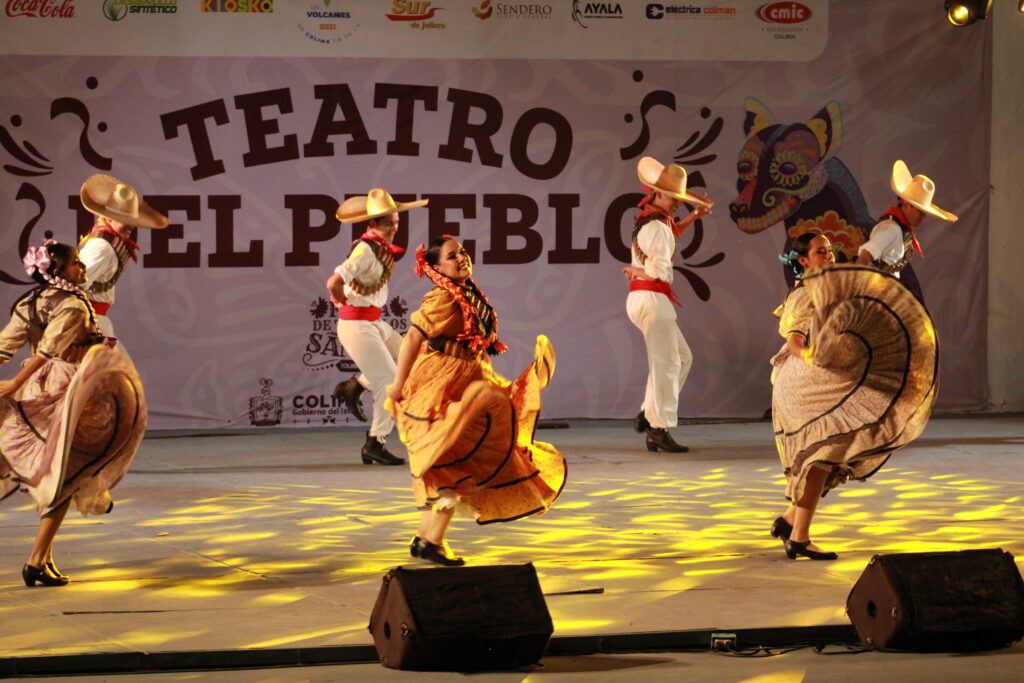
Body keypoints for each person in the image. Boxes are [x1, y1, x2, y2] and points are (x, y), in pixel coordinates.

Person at [386, 237, 566, 566]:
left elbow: (478, 344)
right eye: (453, 256)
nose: (462, 259)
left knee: (461, 465)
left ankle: (427, 539)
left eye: (464, 253)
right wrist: (398, 385)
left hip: (472, 378)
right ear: (436, 267)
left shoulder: (469, 293)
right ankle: (430, 542)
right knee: (451, 465)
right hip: (442, 384)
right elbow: (414, 336)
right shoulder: (442, 297)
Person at [770, 232, 938, 560]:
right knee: (820, 458)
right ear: (804, 261)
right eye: (821, 252)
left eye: (830, 251)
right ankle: (800, 539)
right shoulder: (805, 293)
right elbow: (794, 341)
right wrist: (812, 356)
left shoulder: (833, 288)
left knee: (830, 458)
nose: (830, 257)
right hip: (806, 388)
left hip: (826, 384)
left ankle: (791, 522)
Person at [0, 240, 147, 586]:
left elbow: (5, 346)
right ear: (58, 271)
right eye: (75, 264)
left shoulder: (31, 301)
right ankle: (36, 560)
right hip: (70, 390)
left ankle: (44, 558)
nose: (81, 269)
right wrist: (13, 384)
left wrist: (16, 381)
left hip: (44, 387)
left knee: (61, 473)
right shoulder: (71, 306)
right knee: (65, 475)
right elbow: (46, 353)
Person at [327, 188, 427, 466]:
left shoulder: (379, 248)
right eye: (387, 223)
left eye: (396, 222)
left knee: (412, 361)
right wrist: (340, 298)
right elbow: (333, 281)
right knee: (390, 383)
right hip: (357, 324)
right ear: (372, 224)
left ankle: (355, 385)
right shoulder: (364, 249)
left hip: (373, 322)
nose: (394, 228)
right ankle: (375, 442)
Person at [622, 157, 713, 453]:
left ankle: (650, 412)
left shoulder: (650, 220)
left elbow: (668, 235)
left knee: (680, 358)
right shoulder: (657, 227)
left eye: (679, 199)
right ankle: (658, 427)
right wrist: (642, 270)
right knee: (668, 362)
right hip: (651, 297)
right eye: (672, 198)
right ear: (657, 194)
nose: (676, 204)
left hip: (644, 298)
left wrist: (693, 217)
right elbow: (661, 270)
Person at [78, 174, 169, 359]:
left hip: (96, 322)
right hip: (89, 325)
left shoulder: (108, 243)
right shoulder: (101, 246)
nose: (131, 226)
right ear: (107, 217)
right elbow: (73, 287)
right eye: (123, 219)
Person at [855, 160, 958, 281]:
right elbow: (865, 255)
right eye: (920, 211)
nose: (923, 217)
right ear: (906, 205)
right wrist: (855, 285)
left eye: (924, 213)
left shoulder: (897, 229)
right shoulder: (891, 229)